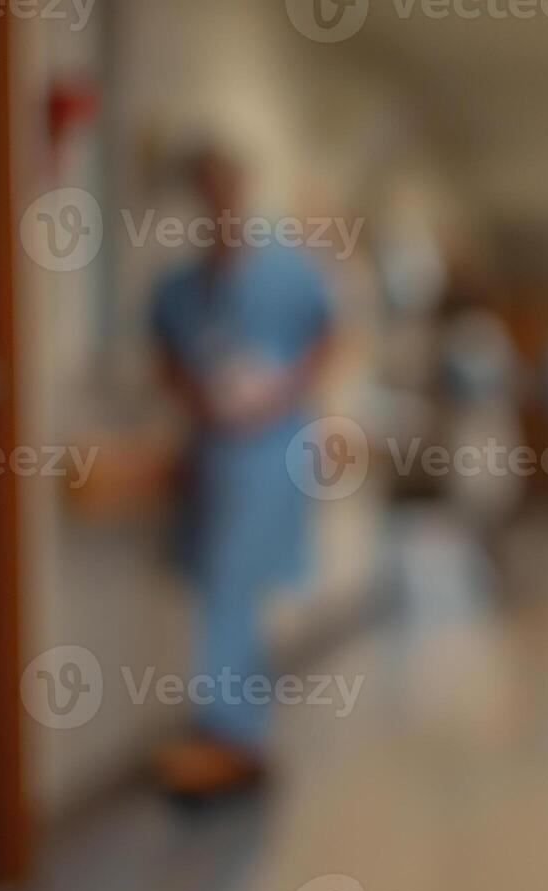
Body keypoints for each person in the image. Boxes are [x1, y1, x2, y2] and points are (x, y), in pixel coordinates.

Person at [148, 143, 334, 798]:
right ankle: (231, 734)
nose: (218, 203)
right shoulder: (180, 286)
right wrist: (199, 400)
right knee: (222, 587)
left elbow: (327, 335)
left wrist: (279, 394)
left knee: (235, 586)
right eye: (206, 189)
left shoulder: (288, 272)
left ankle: (233, 735)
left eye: (225, 187)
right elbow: (166, 356)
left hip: (270, 446)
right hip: (215, 449)